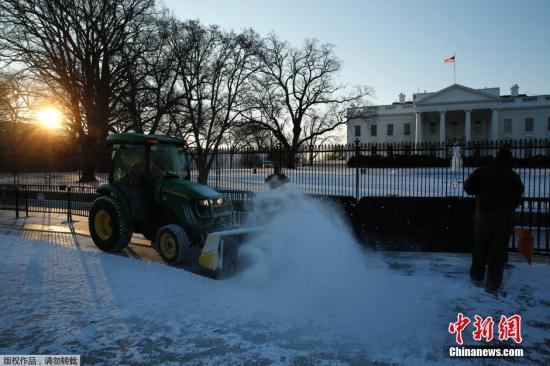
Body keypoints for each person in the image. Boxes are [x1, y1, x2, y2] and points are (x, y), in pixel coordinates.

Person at [463, 148, 524, 293]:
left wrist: (480, 193)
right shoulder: (512, 176)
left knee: (480, 248)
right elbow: (519, 193)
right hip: (504, 219)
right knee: (498, 251)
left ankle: (476, 276)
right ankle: (493, 282)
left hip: (483, 217)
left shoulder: (482, 172)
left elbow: (467, 187)